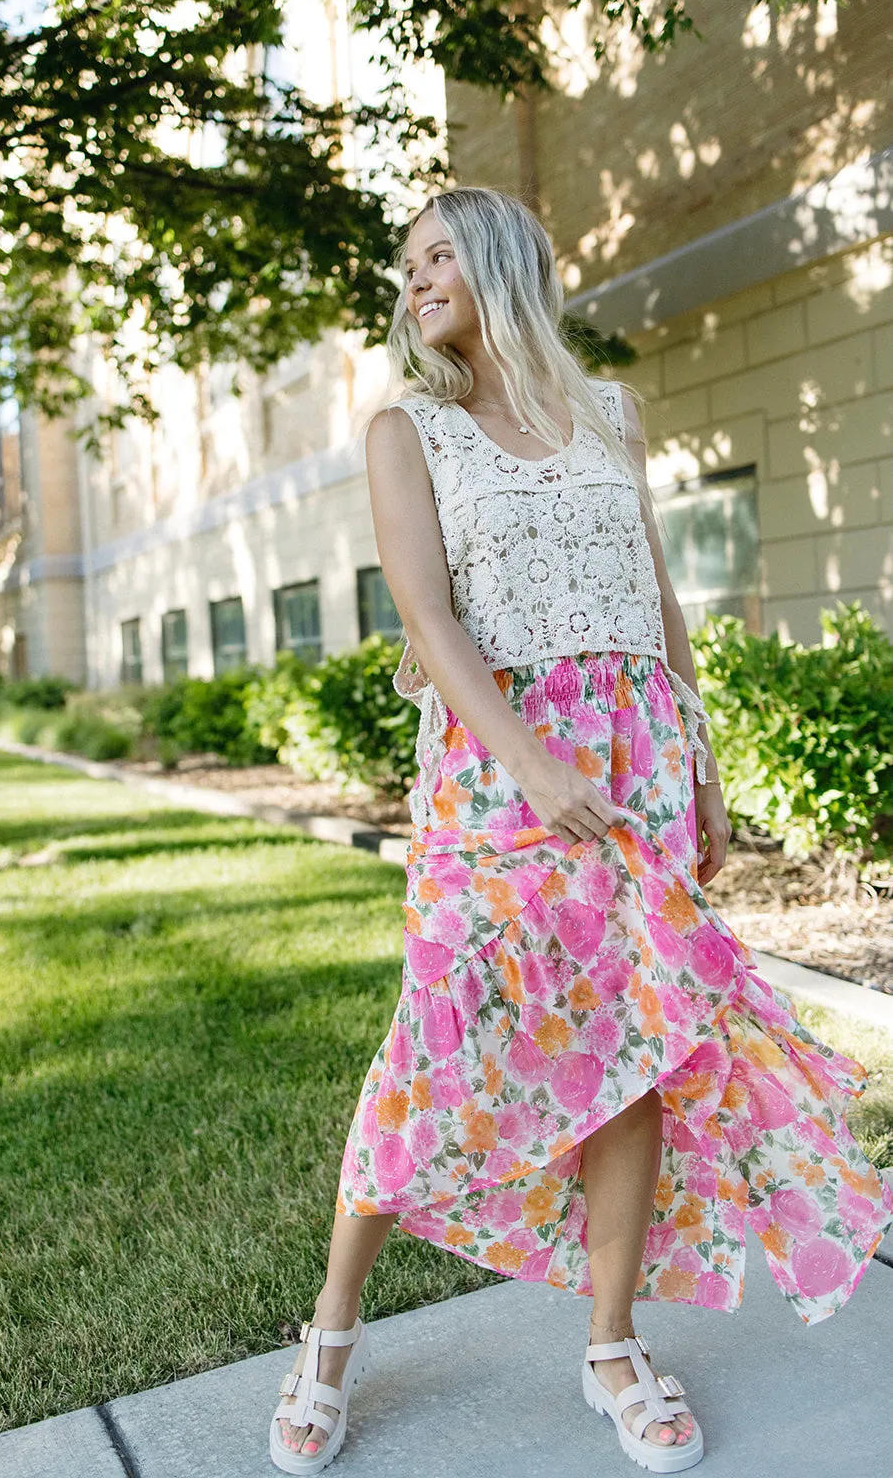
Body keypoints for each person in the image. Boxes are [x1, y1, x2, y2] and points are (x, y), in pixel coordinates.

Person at [268, 187, 893, 1475]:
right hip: (499, 775)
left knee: (636, 1044)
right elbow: (431, 623)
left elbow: (658, 601)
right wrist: (533, 763)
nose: (415, 281)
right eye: (407, 266)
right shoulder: (408, 431)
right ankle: (331, 1332)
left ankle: (612, 1343)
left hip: (638, 763)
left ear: (500, 263)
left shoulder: (613, 413)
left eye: (437, 255)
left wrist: (705, 769)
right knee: (439, 1040)